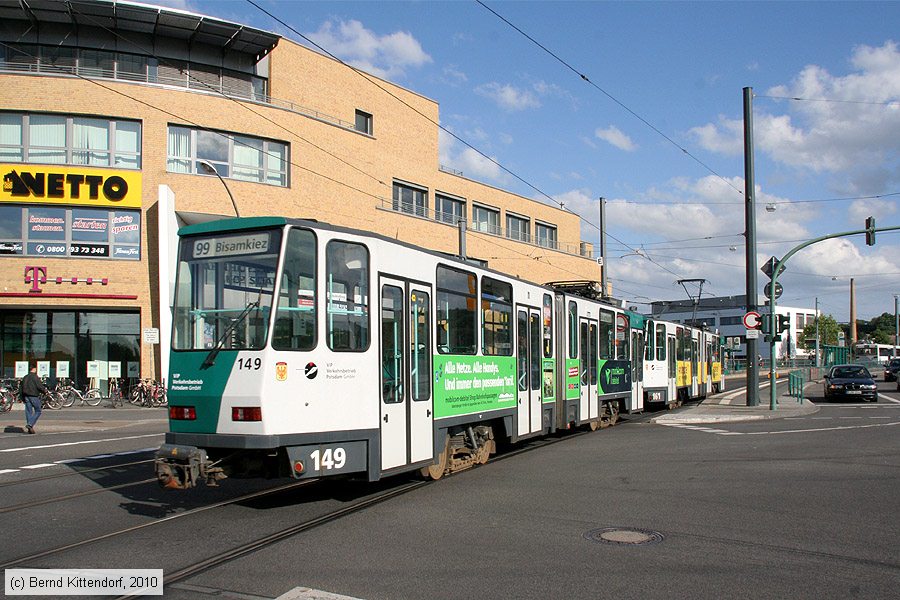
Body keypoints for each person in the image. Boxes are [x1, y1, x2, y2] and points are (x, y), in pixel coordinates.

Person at [21, 365, 47, 434]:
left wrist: (22, 397)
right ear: (34, 369)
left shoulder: (25, 377)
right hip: (33, 395)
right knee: (38, 411)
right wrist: (44, 391)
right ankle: (30, 424)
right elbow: (39, 386)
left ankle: (30, 427)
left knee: (28, 411)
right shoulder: (35, 377)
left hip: (26, 396)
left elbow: (21, 387)